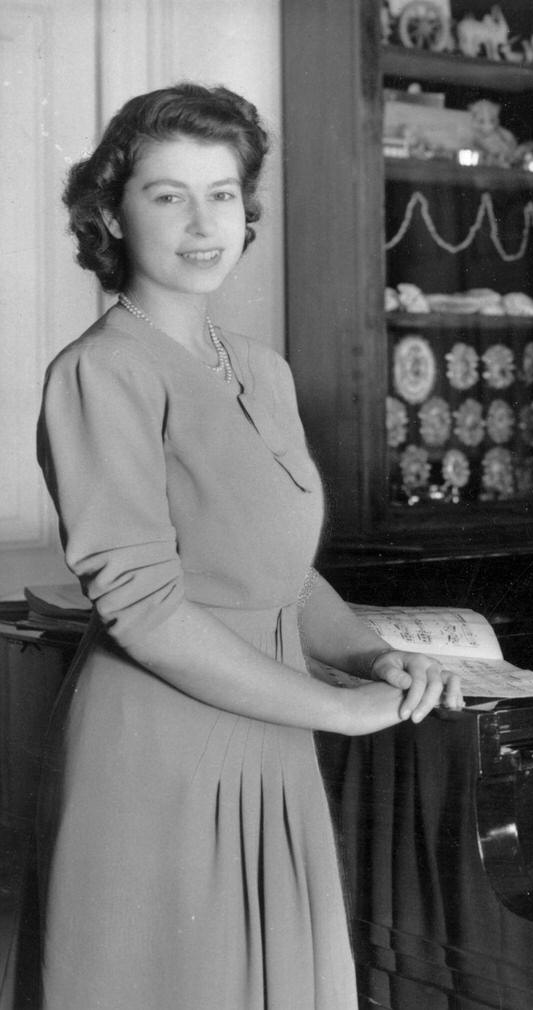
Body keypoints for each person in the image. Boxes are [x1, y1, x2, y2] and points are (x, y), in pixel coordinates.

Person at [12, 83, 465, 1009]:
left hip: (273, 737)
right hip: (157, 755)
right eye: (167, 194)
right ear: (110, 212)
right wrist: (335, 711)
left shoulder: (262, 367)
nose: (202, 221)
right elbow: (144, 608)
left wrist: (375, 657)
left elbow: (283, 581)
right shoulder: (102, 372)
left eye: (222, 192)